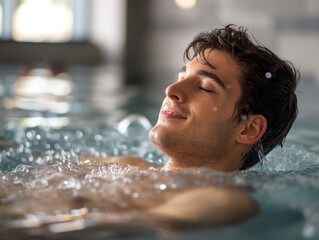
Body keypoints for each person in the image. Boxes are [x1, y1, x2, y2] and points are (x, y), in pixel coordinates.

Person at [89, 24, 299, 230]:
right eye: (181, 77)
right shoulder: (124, 165)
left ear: (248, 129)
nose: (171, 90)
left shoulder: (220, 201)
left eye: (205, 88)